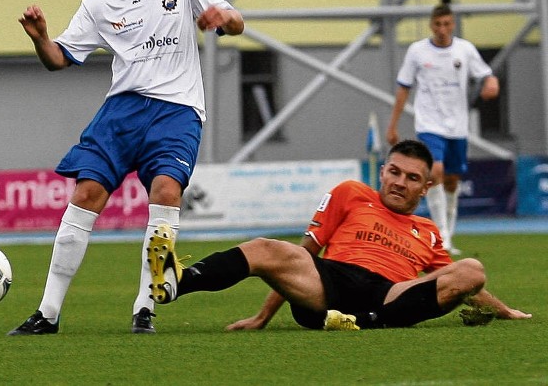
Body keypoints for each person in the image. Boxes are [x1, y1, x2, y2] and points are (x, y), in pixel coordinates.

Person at [8, 0, 244, 336]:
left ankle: (144, 308)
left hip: (177, 109)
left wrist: (222, 19)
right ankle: (48, 313)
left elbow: (236, 21)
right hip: (122, 110)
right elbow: (59, 60)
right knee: (87, 192)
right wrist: (42, 38)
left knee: (166, 190)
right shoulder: (99, 4)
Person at [147, 140, 530, 331]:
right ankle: (178, 281)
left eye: (412, 178)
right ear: (382, 172)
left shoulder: (428, 232)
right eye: (394, 172)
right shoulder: (350, 193)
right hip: (328, 281)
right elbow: (302, 255)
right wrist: (263, 316)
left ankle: (362, 319)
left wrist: (503, 310)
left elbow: (457, 281)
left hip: (388, 294)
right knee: (267, 248)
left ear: (425, 188)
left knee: (472, 269)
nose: (400, 182)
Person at [385, 4, 499, 254]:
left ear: (453, 24)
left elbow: (486, 74)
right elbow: (404, 86)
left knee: (451, 180)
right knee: (435, 171)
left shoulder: (465, 49)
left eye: (447, 24)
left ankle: (449, 231)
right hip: (428, 123)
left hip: (457, 125)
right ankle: (441, 236)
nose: (442, 29)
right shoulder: (417, 51)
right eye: (438, 24)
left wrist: (492, 84)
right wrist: (392, 124)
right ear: (431, 25)